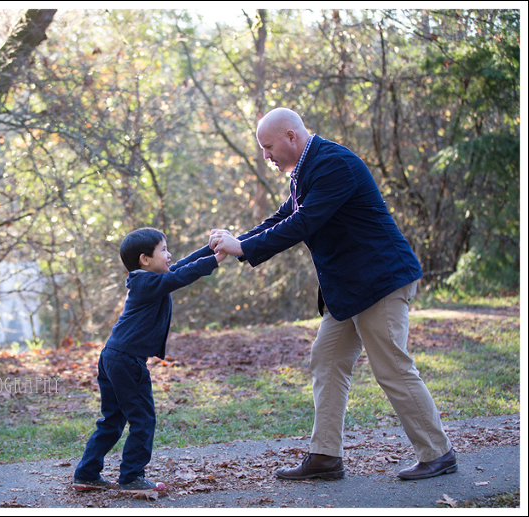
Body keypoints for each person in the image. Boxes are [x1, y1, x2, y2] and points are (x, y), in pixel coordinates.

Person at [209, 107, 456, 481]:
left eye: (268, 146)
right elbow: (283, 217)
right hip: (349, 289)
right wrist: (239, 241)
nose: (266, 155)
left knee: (392, 367)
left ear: (291, 136)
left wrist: (244, 248)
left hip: (380, 280)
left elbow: (304, 222)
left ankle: (439, 454)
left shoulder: (333, 163)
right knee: (326, 360)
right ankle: (325, 457)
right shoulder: (305, 170)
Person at [73, 228, 227, 494]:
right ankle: (132, 477)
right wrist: (215, 260)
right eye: (163, 250)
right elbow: (181, 275)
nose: (169, 255)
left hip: (113, 356)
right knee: (143, 418)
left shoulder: (146, 279)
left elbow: (180, 266)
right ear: (145, 259)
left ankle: (86, 474)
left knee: (112, 419)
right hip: (126, 361)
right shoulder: (147, 283)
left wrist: (208, 250)